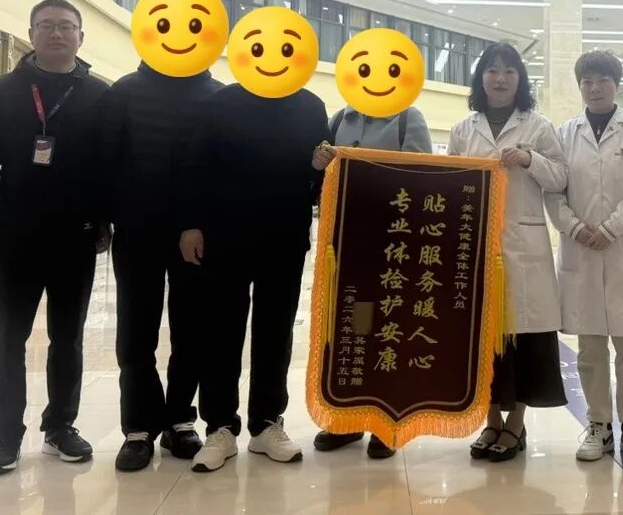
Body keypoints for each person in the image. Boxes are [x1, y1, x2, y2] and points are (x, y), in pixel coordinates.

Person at [0, 0, 109, 475]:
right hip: (17, 234)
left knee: (68, 338)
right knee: (9, 338)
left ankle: (60, 426)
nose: (56, 33)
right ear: (31, 34)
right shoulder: (6, 90)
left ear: (81, 37)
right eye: (46, 26)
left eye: (66, 26)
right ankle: (5, 436)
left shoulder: (99, 94)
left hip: (75, 237)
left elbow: (109, 163)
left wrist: (104, 220)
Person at [178, 84, 330, 472]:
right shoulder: (220, 102)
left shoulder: (311, 106)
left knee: (275, 332)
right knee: (221, 332)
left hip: (285, 237)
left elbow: (318, 182)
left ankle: (266, 423)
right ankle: (220, 427)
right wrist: (191, 224)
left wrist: (317, 169)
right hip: (224, 236)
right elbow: (195, 166)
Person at [100, 54, 224, 472]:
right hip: (137, 230)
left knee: (191, 331)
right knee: (136, 330)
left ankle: (179, 420)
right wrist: (103, 217)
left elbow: (220, 169)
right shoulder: (124, 92)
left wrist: (204, 222)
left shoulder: (217, 96)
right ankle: (138, 428)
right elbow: (104, 160)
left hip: (197, 234)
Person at [446, 42, 568, 463]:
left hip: (523, 245)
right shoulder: (464, 129)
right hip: (477, 246)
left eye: (509, 71)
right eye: (492, 70)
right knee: (483, 337)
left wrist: (530, 159)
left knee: (523, 336)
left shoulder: (538, 126)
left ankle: (516, 423)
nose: (500, 79)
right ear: (481, 78)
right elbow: (450, 182)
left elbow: (560, 178)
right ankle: (491, 419)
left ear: (520, 79)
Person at [545, 50, 623, 465]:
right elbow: (553, 191)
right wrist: (576, 229)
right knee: (590, 350)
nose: (594, 88)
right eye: (587, 82)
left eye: (603, 80)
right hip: (581, 250)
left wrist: (611, 228)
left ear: (617, 84)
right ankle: (599, 425)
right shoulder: (564, 133)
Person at [311, 105, 432, 460]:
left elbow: (424, 177)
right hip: (348, 243)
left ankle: (385, 422)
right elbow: (320, 182)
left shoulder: (409, 118)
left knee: (388, 330)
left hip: (393, 245)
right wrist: (319, 162)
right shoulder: (339, 120)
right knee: (354, 328)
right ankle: (348, 420)